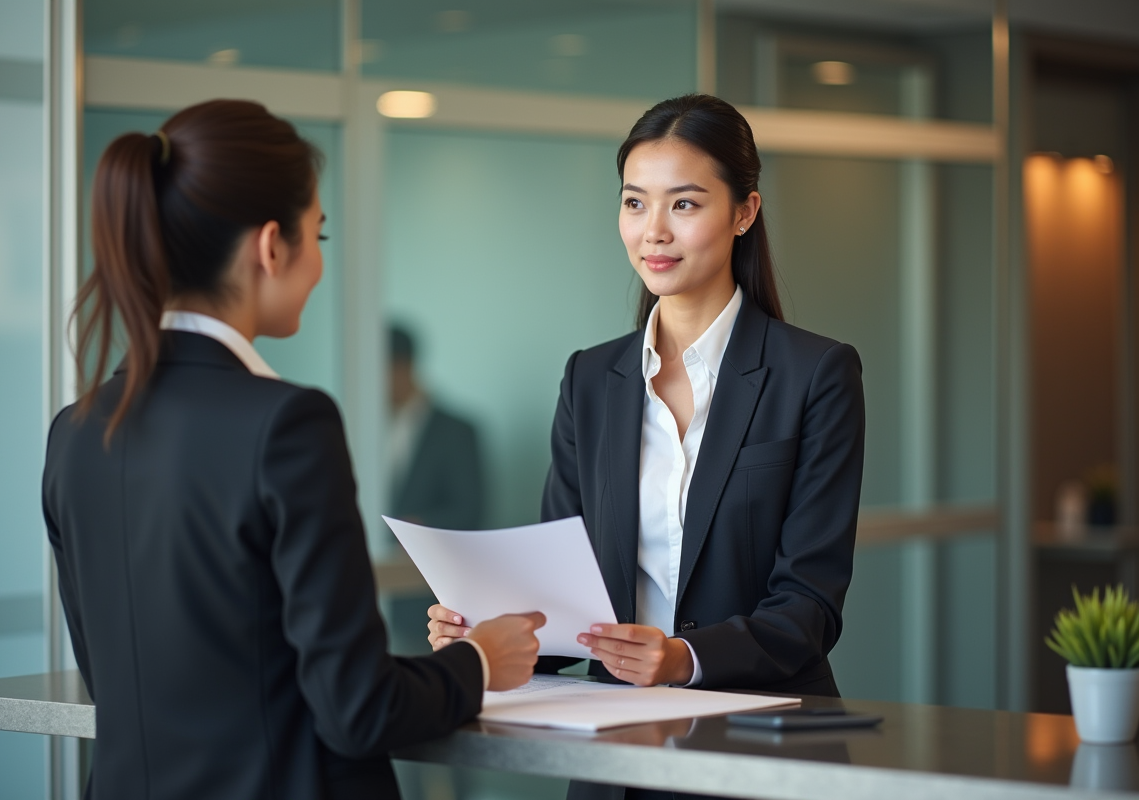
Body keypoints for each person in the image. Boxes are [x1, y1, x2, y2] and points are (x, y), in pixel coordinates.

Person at [42, 99, 544, 800]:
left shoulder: (75, 432)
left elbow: (120, 686)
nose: (318, 266)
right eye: (321, 236)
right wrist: (479, 660)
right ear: (271, 245)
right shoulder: (285, 424)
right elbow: (359, 709)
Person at [427, 94, 865, 800]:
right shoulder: (591, 379)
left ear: (744, 212)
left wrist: (682, 657)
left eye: (684, 205)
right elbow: (557, 586)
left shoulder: (815, 374)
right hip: (614, 756)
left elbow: (809, 606)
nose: (653, 232)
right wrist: (485, 632)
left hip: (760, 748)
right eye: (635, 203)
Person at [387, 324, 485, 531]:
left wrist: (418, 526)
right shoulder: (361, 429)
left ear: (402, 367)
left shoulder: (457, 432)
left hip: (421, 559)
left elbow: (469, 511)